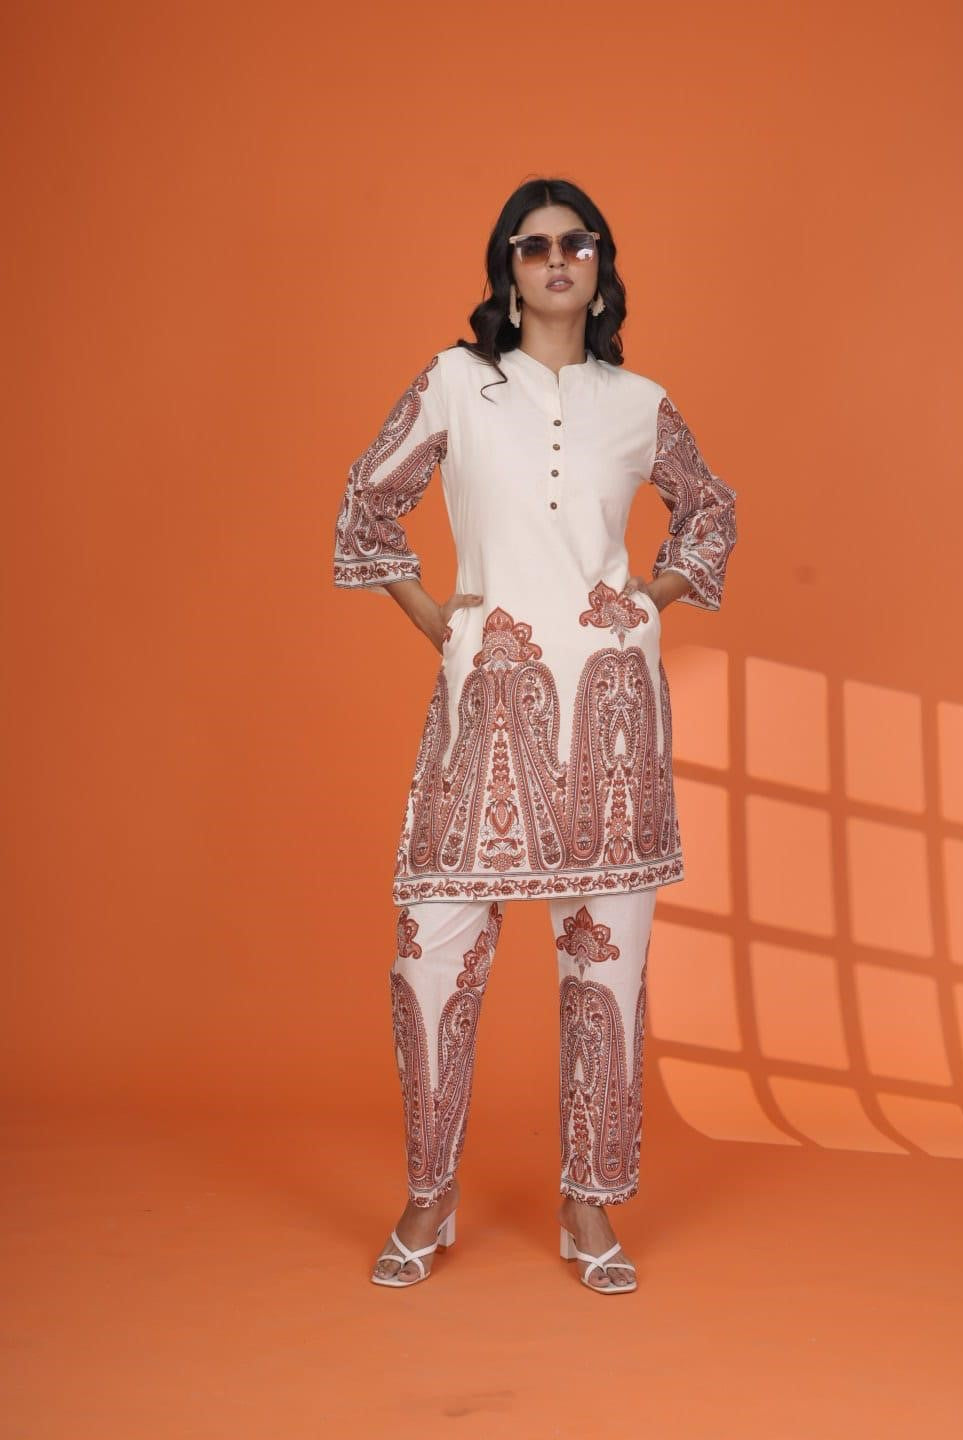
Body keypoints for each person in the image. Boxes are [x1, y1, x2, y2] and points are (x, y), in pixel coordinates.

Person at [332, 177, 738, 1293]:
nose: (557, 259)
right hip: (489, 706)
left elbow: (709, 508)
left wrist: (650, 597)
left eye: (577, 242)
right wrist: (433, 616)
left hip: (611, 719)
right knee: (431, 952)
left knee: (608, 963)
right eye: (533, 245)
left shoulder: (639, 401)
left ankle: (587, 1203)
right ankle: (429, 1194)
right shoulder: (458, 385)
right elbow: (368, 502)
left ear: (600, 268)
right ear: (507, 271)